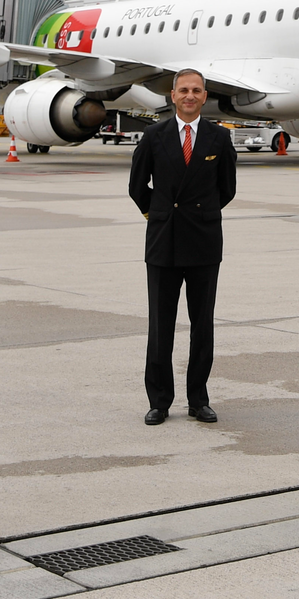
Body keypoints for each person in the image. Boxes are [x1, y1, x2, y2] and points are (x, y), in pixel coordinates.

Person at [128, 68, 238, 425]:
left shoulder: (219, 138)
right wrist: (158, 213)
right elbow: (136, 185)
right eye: (183, 90)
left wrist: (201, 215)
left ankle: (198, 399)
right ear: (172, 96)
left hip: (204, 241)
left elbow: (227, 189)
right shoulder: (154, 135)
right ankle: (159, 400)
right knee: (161, 324)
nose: (190, 96)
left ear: (205, 97)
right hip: (164, 241)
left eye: (197, 90)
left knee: (202, 324)